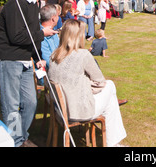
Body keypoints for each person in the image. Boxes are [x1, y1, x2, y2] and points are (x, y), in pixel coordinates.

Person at [0, 0, 57, 147]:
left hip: (25, 61)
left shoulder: (32, 4)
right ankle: (16, 142)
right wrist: (43, 33)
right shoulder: (14, 5)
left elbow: (31, 33)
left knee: (30, 102)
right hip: (8, 60)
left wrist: (37, 58)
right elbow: (17, 37)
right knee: (11, 106)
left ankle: (20, 137)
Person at [48, 19, 127, 147]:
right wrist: (87, 87)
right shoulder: (83, 55)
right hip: (77, 110)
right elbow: (100, 82)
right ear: (78, 37)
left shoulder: (54, 55)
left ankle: (113, 143)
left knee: (111, 101)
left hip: (60, 109)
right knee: (110, 86)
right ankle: (113, 143)